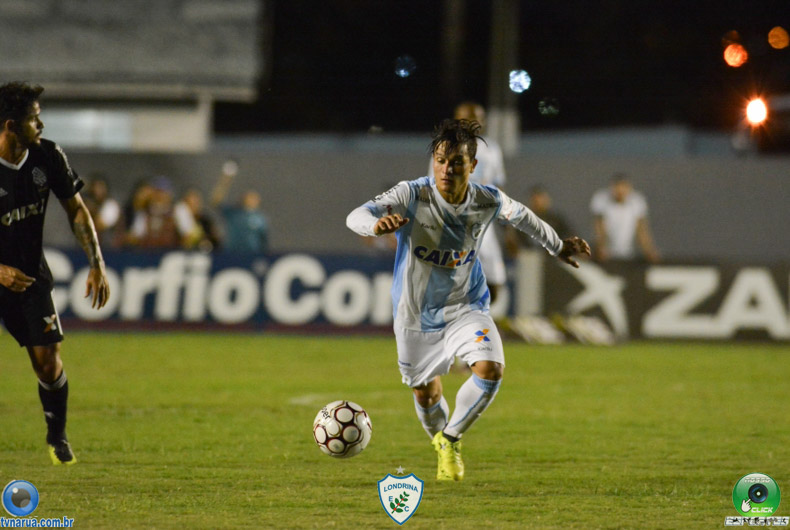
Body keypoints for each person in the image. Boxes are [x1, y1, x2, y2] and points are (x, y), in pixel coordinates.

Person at [346, 119, 590, 481]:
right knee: (426, 393)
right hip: (414, 315)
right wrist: (374, 226)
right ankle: (441, 442)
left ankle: (451, 438)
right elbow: (356, 215)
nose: (447, 169)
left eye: (456, 162)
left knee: (491, 369)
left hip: (466, 307)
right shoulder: (412, 194)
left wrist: (557, 245)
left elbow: (523, 217)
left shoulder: (486, 199)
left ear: (472, 166)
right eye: (441, 160)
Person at [0, 82, 110, 465]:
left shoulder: (47, 156)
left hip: (29, 278)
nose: (41, 124)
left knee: (47, 360)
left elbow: (76, 209)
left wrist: (96, 263)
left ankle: (57, 435)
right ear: (11, 126)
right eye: (34, 118)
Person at [429, 102, 507, 304]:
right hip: (454, 219)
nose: (473, 123)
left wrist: (506, 219)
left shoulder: (491, 149)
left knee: (495, 282)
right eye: (467, 119)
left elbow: (497, 186)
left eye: (477, 118)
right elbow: (434, 185)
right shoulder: (445, 146)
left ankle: (472, 319)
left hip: (482, 220)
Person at [590, 173, 660, 263]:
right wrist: (601, 247)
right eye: (617, 187)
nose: (620, 191)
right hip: (605, 255)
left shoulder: (637, 201)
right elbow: (599, 227)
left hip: (628, 253)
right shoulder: (601, 199)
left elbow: (641, 229)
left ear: (629, 188)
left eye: (623, 187)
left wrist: (648, 250)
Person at [211, 160, 269, 253]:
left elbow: (264, 242)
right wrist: (225, 179)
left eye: (253, 198)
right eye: (248, 196)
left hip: (252, 256)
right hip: (233, 254)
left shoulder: (260, 218)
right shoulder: (234, 213)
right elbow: (216, 201)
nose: (250, 199)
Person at [505, 185, 572, 256]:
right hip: (529, 258)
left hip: (552, 257)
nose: (537, 202)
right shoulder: (523, 220)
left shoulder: (556, 221)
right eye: (534, 199)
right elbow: (514, 244)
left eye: (540, 198)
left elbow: (569, 236)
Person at [82, 174, 121, 248]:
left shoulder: (111, 205)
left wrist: (93, 210)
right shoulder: (87, 203)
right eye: (95, 187)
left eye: (100, 187)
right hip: (89, 246)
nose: (97, 190)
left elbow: (101, 225)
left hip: (109, 248)